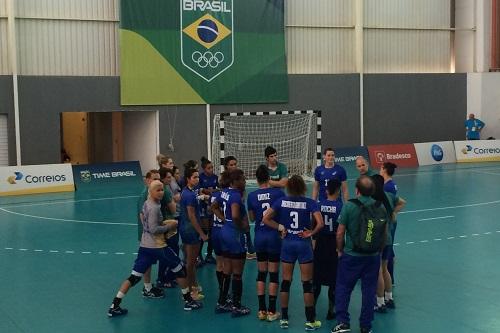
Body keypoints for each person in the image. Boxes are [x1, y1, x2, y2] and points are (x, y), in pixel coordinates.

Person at [107, 180, 202, 318]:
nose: (161, 192)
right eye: (158, 190)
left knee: (134, 277)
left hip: (145, 246)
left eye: (162, 189)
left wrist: (160, 223)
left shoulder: (146, 204)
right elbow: (154, 229)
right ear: (150, 191)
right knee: (180, 270)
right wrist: (169, 226)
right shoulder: (155, 208)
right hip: (158, 246)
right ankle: (188, 301)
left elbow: (143, 219)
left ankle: (114, 305)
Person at [263, 175, 324, 331]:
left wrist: (280, 228)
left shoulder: (281, 201)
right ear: (303, 187)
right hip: (303, 244)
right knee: (307, 283)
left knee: (286, 281)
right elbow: (321, 223)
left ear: (289, 187)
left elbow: (265, 219)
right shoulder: (309, 203)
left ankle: (284, 318)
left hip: (288, 244)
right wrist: (311, 232)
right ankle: (310, 321)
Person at [331, 176, 387, 333]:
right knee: (369, 291)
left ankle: (343, 322)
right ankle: (365, 326)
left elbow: (340, 232)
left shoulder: (349, 206)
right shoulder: (380, 207)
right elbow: (384, 232)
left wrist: (340, 249)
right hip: (372, 256)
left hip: (352, 256)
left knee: (343, 287)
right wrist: (378, 251)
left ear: (356, 190)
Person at [247, 165, 286, 322]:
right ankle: (271, 311)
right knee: (274, 274)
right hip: (274, 238)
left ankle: (261, 310)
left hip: (259, 237)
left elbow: (251, 218)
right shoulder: (278, 193)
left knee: (261, 273)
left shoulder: (252, 196)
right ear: (269, 177)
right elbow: (283, 216)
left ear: (256, 180)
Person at [212, 169, 251, 317]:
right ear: (235, 181)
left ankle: (221, 302)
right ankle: (236, 306)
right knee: (238, 273)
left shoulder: (224, 192)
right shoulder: (235, 196)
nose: (244, 181)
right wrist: (240, 227)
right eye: (242, 179)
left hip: (224, 232)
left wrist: (223, 220)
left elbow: (213, 206)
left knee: (226, 269)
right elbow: (235, 215)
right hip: (235, 235)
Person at [370, 175, 405, 314]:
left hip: (377, 241)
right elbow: (403, 202)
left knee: (377, 271)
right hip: (389, 239)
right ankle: (389, 298)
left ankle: (380, 302)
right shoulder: (390, 196)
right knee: (385, 270)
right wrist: (393, 213)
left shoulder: (372, 199)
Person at [314, 179, 343, 320]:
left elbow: (313, 226)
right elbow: (341, 231)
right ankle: (331, 310)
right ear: (338, 191)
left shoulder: (318, 205)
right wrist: (340, 249)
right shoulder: (340, 207)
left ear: (326, 191)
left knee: (316, 279)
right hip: (333, 245)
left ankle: (311, 308)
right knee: (334, 280)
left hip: (320, 243)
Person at [179, 168, 208, 301]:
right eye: (194, 177)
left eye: (198, 177)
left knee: (192, 261)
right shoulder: (189, 195)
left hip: (187, 229)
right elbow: (191, 216)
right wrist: (201, 233)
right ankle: (191, 290)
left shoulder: (188, 192)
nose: (197, 179)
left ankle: (194, 285)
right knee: (190, 262)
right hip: (190, 231)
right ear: (188, 179)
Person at [136, 169, 164, 298]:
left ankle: (148, 285)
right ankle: (147, 287)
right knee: (146, 262)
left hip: (150, 235)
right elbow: (143, 217)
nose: (157, 181)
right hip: (148, 236)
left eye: (158, 179)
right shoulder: (145, 196)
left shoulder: (153, 195)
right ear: (147, 180)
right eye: (154, 179)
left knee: (148, 261)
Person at [223, 155, 256, 260]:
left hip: (239, 203)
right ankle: (243, 248)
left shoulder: (239, 176)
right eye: (231, 165)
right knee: (239, 226)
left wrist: (242, 199)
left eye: (235, 164)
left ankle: (250, 249)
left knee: (246, 226)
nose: (234, 166)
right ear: (226, 167)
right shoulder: (224, 179)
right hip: (231, 207)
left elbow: (243, 189)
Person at [380, 162, 398, 284]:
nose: (379, 170)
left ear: (385, 170)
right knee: (389, 248)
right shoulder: (389, 184)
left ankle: (389, 277)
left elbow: (394, 203)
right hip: (390, 220)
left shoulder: (388, 187)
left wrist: (390, 213)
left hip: (388, 222)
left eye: (381, 168)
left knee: (388, 248)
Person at [199, 156, 219, 264]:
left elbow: (218, 189)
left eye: (212, 167)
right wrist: (210, 191)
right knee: (204, 231)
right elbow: (200, 191)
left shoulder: (215, 177)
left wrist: (210, 191)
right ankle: (199, 256)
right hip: (203, 207)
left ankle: (209, 255)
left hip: (213, 206)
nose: (211, 170)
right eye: (209, 168)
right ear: (204, 169)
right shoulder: (200, 178)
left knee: (212, 231)